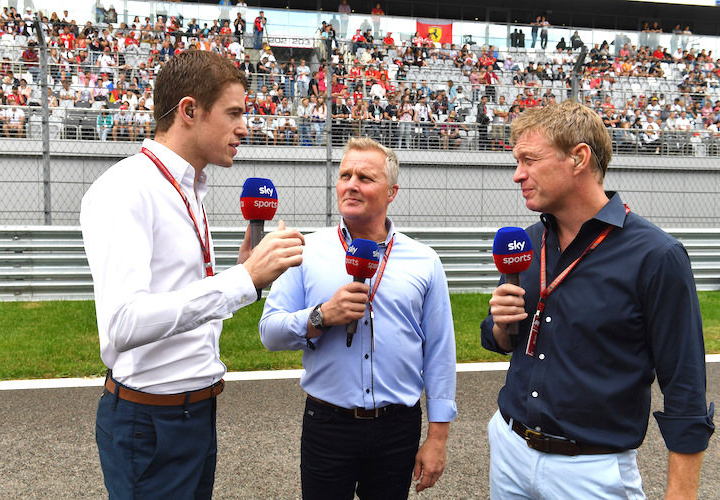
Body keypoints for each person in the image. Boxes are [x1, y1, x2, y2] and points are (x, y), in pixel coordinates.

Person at [80, 50, 306, 499]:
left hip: (195, 413)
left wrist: (248, 276)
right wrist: (242, 280)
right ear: (188, 110)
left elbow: (185, 297)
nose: (245, 127)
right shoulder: (125, 189)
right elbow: (122, 323)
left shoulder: (188, 187)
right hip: (150, 422)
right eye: (234, 113)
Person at [480, 100, 714, 500]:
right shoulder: (527, 242)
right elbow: (505, 342)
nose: (517, 175)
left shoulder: (657, 257)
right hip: (509, 447)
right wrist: (501, 326)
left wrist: (682, 493)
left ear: (579, 158)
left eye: (529, 160)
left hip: (591, 471)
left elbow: (685, 387)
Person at [259, 137, 457, 499]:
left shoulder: (424, 260)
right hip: (328, 423)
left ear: (391, 191)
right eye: (345, 175)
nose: (351, 184)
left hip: (397, 427)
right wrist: (321, 316)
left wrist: (438, 437)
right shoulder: (306, 250)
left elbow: (440, 352)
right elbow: (269, 333)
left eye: (365, 177)